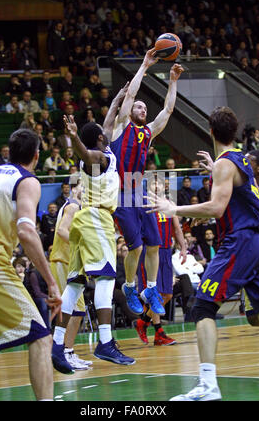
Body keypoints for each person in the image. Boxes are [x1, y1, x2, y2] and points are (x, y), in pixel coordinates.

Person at [146, 106, 259, 401]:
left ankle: (208, 386)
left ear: (210, 131)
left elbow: (216, 208)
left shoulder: (225, 165)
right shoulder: (242, 158)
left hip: (239, 243)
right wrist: (215, 169)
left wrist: (173, 208)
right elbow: (240, 191)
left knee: (202, 308)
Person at [0, 128, 62, 401]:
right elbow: (26, 232)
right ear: (37, 156)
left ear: (8, 153)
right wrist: (51, 281)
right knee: (40, 336)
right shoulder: (27, 180)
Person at [51, 84, 135, 374]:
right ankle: (105, 341)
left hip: (83, 222)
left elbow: (110, 116)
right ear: (100, 138)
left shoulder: (106, 148)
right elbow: (87, 156)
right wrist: (74, 137)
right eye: (103, 131)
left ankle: (58, 346)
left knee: (74, 284)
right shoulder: (98, 160)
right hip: (96, 218)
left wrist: (120, 96)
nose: (107, 129)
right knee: (107, 278)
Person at [110, 48, 184, 316]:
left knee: (154, 244)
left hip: (140, 191)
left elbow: (168, 109)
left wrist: (173, 82)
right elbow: (130, 95)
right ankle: (130, 286)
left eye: (144, 107)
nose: (142, 109)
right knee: (137, 247)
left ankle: (149, 289)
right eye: (139, 106)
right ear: (130, 110)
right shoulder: (121, 126)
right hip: (121, 192)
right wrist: (144, 65)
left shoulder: (148, 133)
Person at [135, 178, 187, 346]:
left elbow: (177, 229)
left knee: (168, 294)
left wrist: (184, 248)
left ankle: (143, 321)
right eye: (153, 182)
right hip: (150, 252)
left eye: (159, 183)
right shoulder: (143, 203)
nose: (157, 185)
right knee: (155, 295)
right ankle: (159, 333)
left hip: (165, 252)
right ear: (148, 186)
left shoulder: (169, 204)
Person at [49, 181, 92, 370]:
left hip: (70, 262)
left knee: (77, 310)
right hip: (62, 261)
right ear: (74, 188)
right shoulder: (73, 206)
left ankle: (67, 350)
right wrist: (81, 245)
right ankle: (63, 351)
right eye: (83, 186)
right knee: (73, 309)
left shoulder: (76, 206)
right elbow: (61, 230)